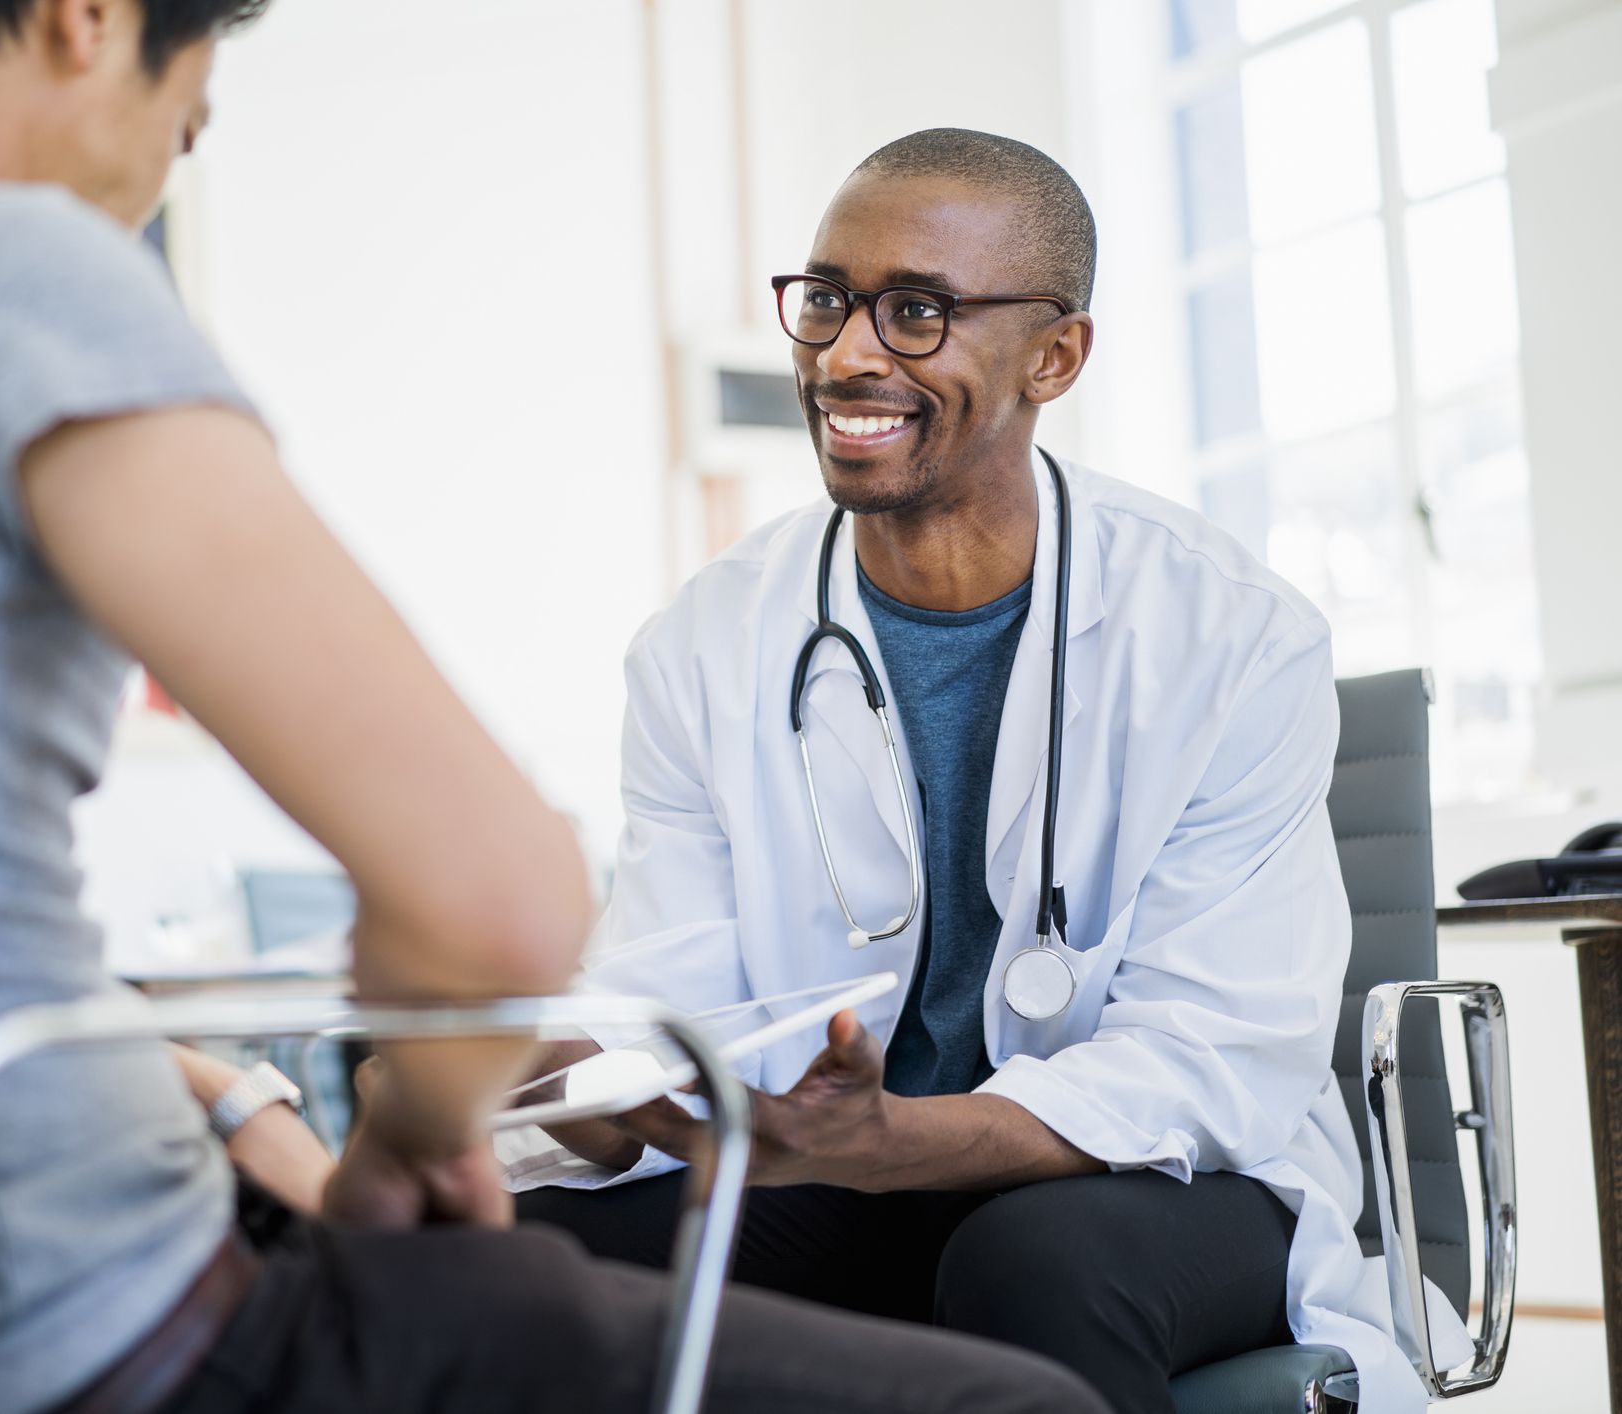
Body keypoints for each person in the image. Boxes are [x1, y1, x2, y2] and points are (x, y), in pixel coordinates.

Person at [0, 10, 1111, 1414]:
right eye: (181, 118)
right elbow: (492, 898)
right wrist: (404, 1141)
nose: (151, 179)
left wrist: (244, 1094)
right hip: (85, 1322)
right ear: (85, 19)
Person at [511, 130, 1433, 1414]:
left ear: (1053, 355)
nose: (843, 355)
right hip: (838, 1166)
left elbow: (1213, 1057)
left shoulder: (1226, 633)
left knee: (1030, 1264)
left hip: (1158, 1186)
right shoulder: (703, 644)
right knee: (524, 1269)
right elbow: (669, 998)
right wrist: (559, 1075)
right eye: (826, 299)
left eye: (916, 311)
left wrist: (899, 1141)